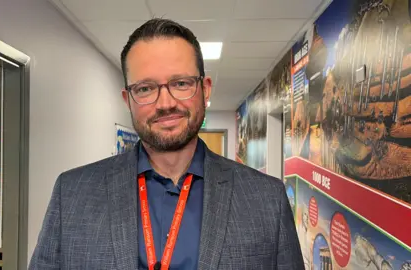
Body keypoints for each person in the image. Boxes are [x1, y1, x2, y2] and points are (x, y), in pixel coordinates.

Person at [29, 18, 304, 270]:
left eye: (181, 83)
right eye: (145, 88)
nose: (165, 103)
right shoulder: (72, 193)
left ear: (205, 90)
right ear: (128, 100)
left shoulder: (267, 199)